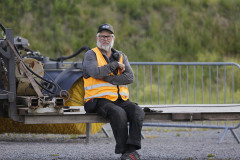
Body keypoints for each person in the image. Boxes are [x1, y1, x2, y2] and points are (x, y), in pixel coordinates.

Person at [82, 23, 145, 160]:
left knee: (138, 112)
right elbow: (95, 72)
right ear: (97, 37)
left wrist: (109, 78)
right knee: (118, 113)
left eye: (108, 36)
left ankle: (131, 150)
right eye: (103, 36)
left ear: (113, 38)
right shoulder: (90, 55)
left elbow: (130, 77)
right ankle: (124, 152)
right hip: (97, 100)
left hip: (120, 99)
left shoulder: (122, 55)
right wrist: (115, 65)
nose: (105, 39)